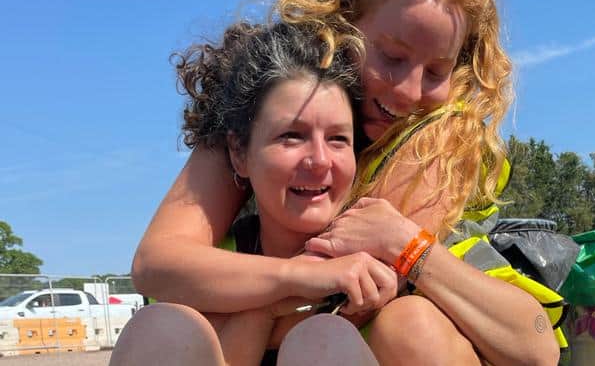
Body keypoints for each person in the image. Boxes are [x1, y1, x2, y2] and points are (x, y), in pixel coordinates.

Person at [119, 0, 561, 366]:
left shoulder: (441, 143)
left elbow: (344, 297)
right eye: (391, 56)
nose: (409, 91)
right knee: (165, 328)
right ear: (345, 26)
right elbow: (159, 262)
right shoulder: (270, 99)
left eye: (435, 72)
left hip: (357, 339)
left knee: (400, 325)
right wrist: (290, 283)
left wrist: (402, 245)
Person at [111, 22, 395, 366]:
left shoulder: (377, 266)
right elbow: (151, 268)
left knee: (324, 339)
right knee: (160, 328)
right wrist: (294, 279)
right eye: (291, 135)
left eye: (338, 139)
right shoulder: (206, 268)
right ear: (239, 153)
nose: (320, 160)